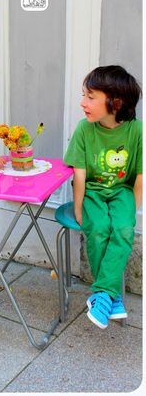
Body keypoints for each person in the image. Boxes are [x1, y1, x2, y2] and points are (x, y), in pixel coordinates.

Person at [64, 65, 142, 329]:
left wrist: (132, 209)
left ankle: (102, 294)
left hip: (122, 192)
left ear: (115, 103)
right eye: (83, 95)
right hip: (93, 192)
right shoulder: (85, 130)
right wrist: (78, 208)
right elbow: (80, 174)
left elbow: (140, 176)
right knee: (97, 228)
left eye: (90, 96)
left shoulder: (137, 131)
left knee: (122, 228)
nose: (82, 102)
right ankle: (110, 295)